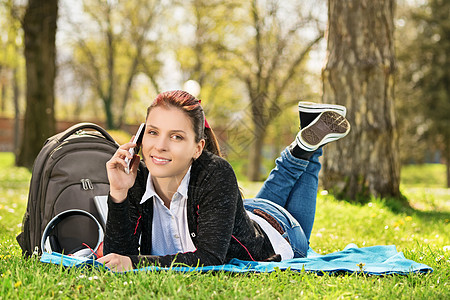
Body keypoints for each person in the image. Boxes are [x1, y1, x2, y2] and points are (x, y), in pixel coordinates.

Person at [97, 90, 350, 271]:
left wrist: (135, 263)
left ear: (198, 148)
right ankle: (307, 140)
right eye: (153, 132)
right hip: (246, 213)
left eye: (176, 137)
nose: (159, 146)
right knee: (264, 199)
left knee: (306, 173)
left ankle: (310, 149)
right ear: (140, 137)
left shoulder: (215, 172)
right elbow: (117, 256)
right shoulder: (136, 176)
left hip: (281, 233)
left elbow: (210, 258)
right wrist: (118, 193)